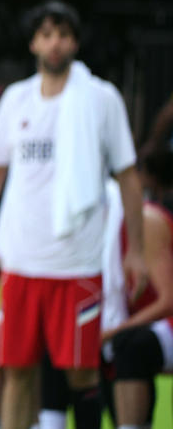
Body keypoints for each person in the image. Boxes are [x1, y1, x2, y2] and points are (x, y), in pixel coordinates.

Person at [0, 0, 147, 429]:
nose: (55, 43)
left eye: (63, 35)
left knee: (82, 373)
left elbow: (128, 176)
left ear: (75, 43)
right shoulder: (16, 99)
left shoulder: (101, 99)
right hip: (22, 260)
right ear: (33, 43)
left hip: (77, 261)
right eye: (46, 34)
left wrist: (136, 250)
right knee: (17, 370)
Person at [105, 149, 173, 428]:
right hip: (146, 324)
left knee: (129, 345)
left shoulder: (148, 219)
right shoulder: (108, 224)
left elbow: (168, 301)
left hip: (164, 325)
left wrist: (115, 330)